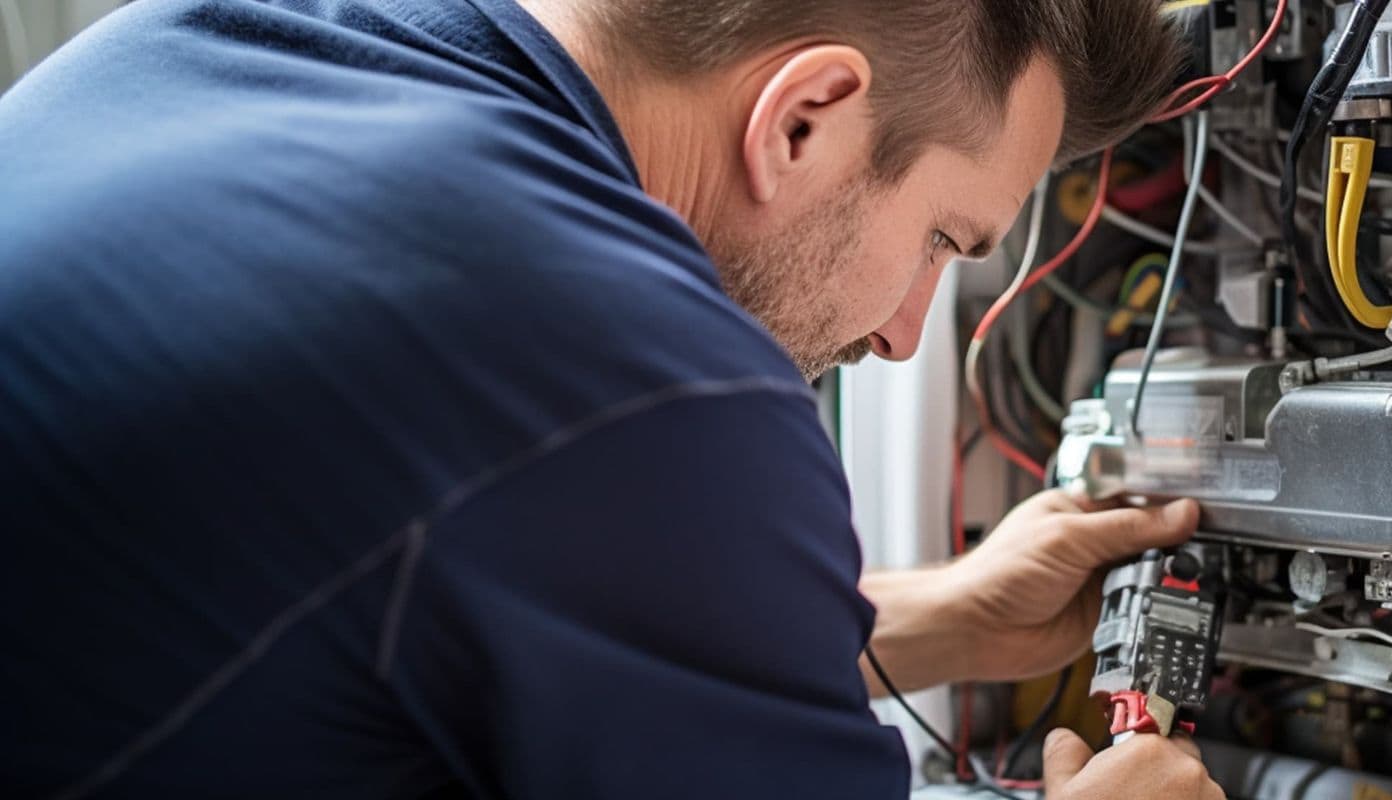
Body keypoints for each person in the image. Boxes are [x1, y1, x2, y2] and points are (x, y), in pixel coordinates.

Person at [0, 0, 1225, 797]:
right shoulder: (634, 370)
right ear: (804, 119)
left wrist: (939, 619)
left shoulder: (211, 41)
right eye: (944, 238)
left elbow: (448, 579)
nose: (908, 332)